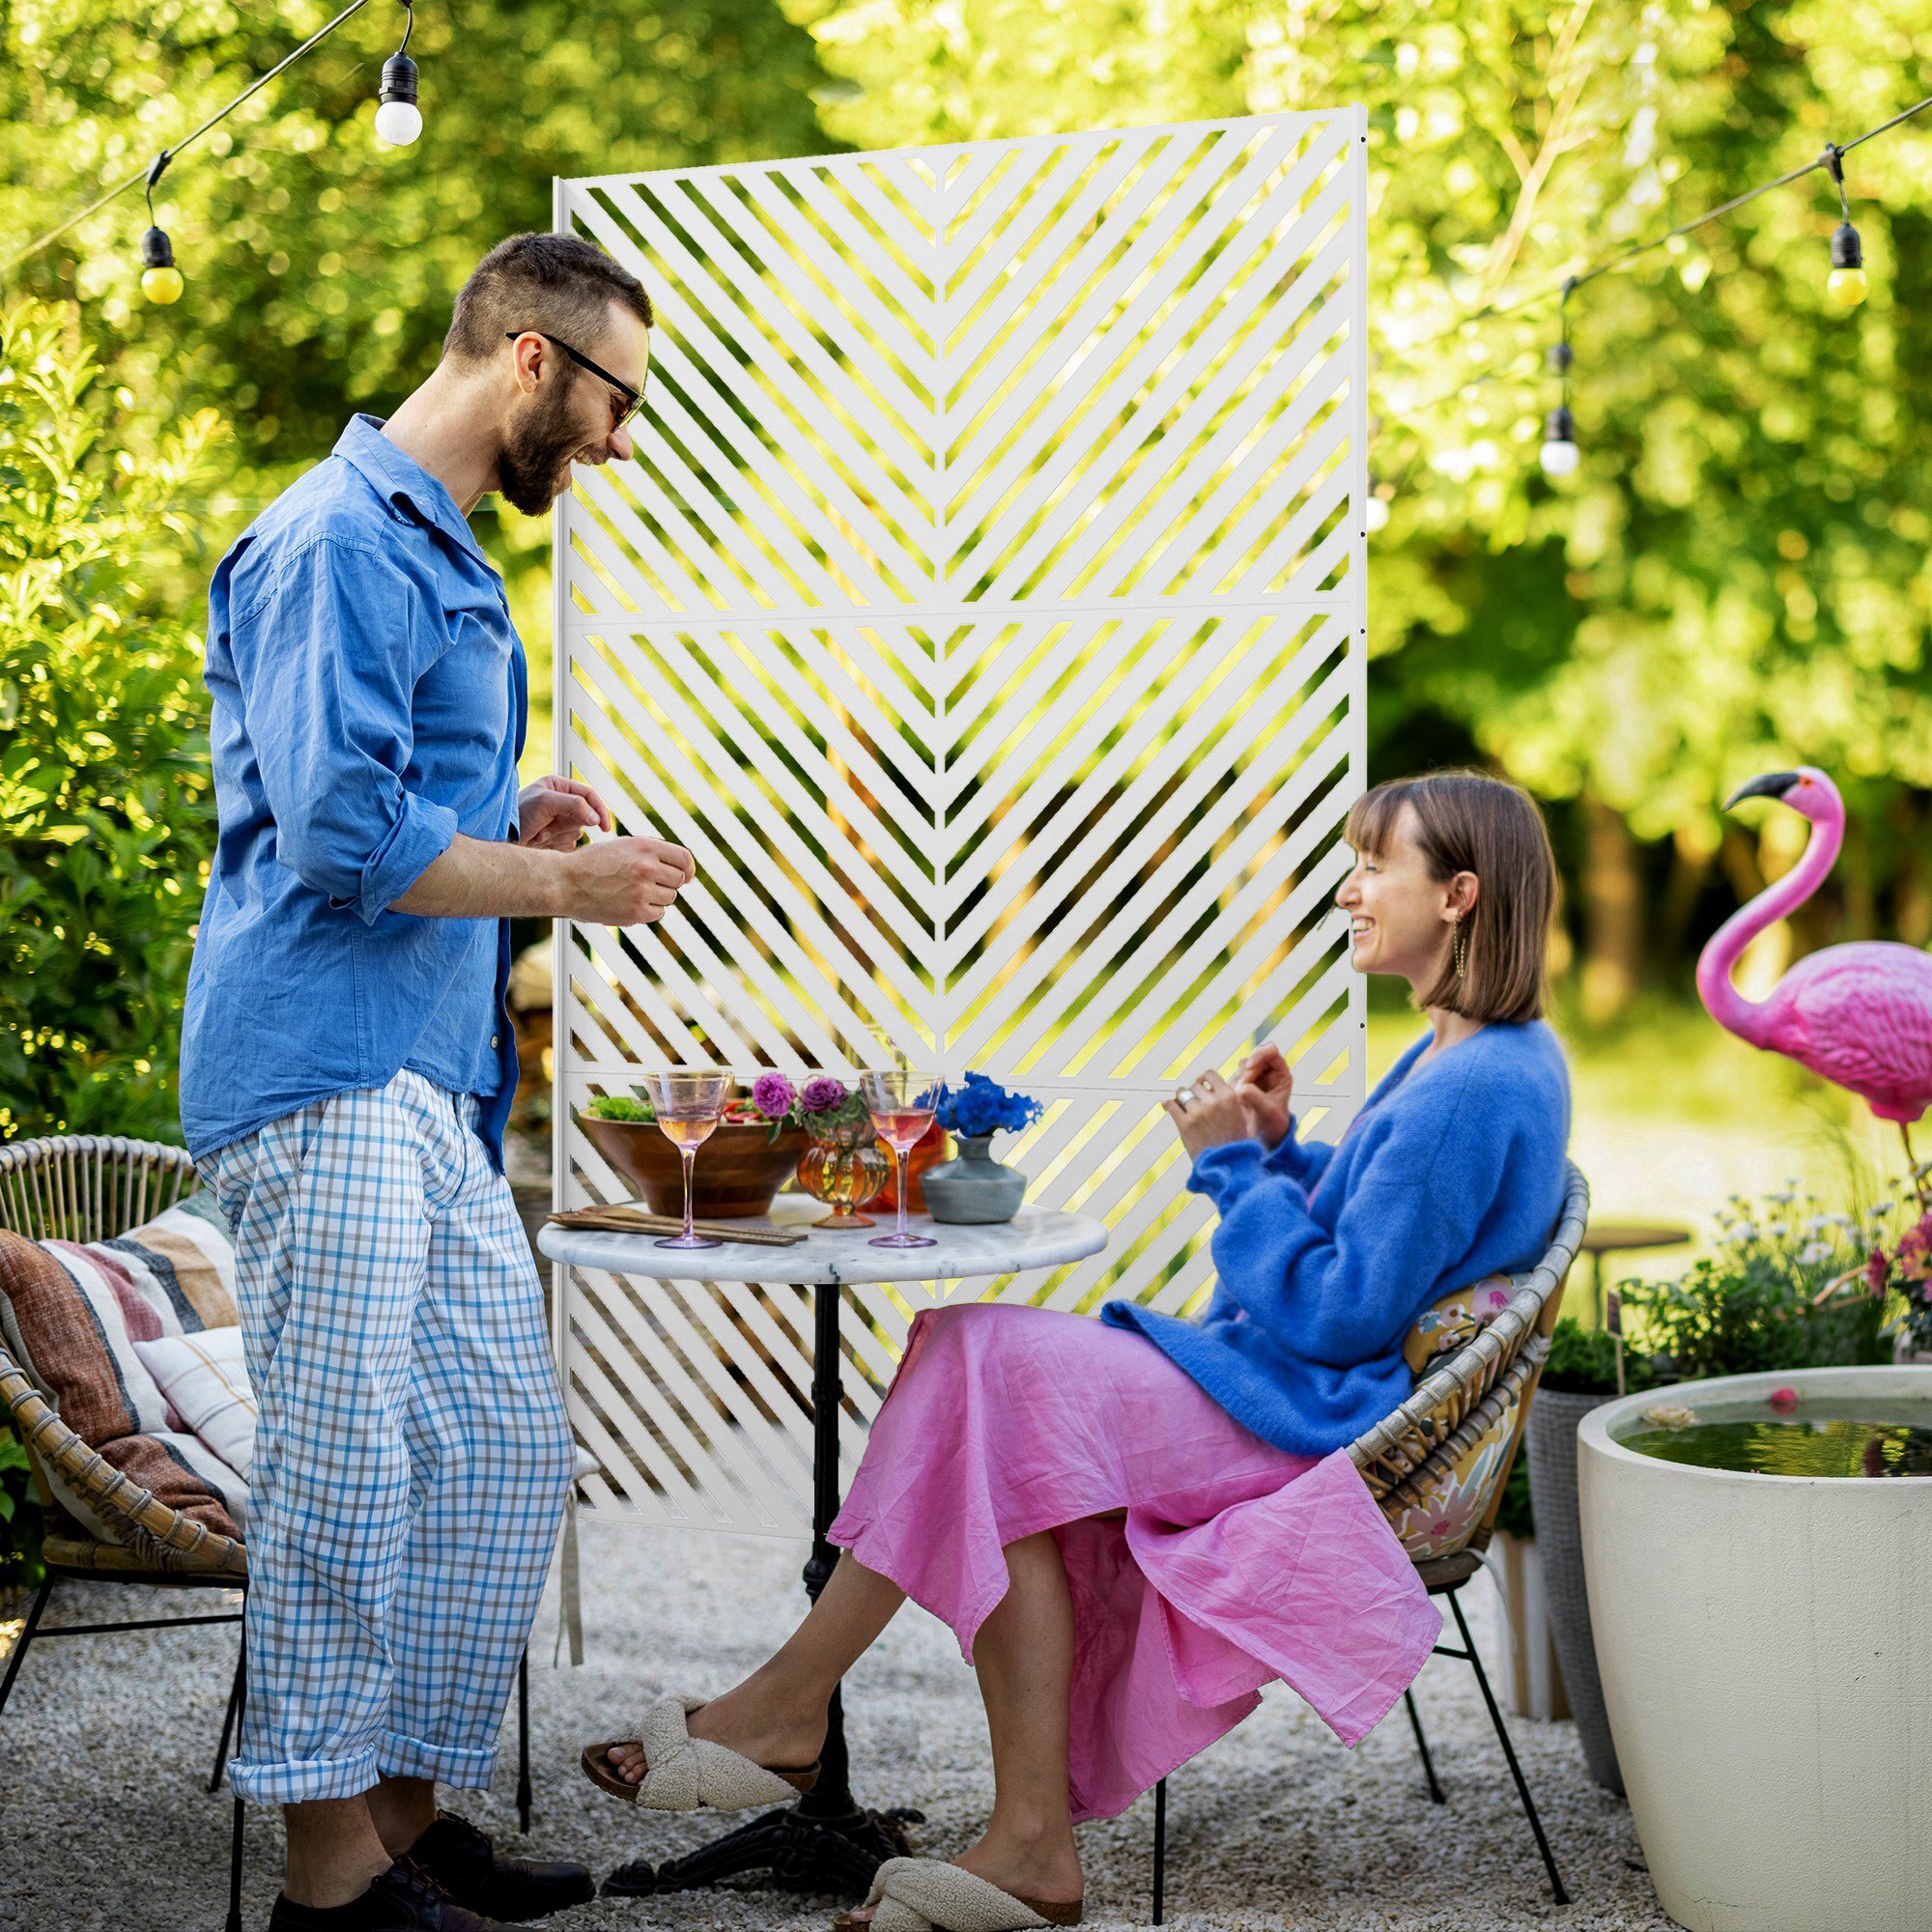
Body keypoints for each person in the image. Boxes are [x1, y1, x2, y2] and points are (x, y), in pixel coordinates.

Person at [580, 769, 1572, 1932]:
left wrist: (1229, 1166)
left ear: (1457, 895)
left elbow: (1340, 1310)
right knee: (989, 1409)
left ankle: (791, 1715)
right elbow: (1387, 1251)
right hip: (1294, 1390)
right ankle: (1015, 1840)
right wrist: (1282, 1145)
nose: (1347, 886)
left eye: (1373, 863)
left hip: (1305, 1420)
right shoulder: (1480, 1058)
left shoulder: (1471, 1082)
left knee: (977, 1364)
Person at [183, 233, 696, 1932]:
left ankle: (397, 1826)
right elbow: (337, 837)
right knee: (345, 1467)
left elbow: (388, 805)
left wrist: (511, 829)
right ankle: (331, 1888)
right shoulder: (337, 538)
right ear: (536, 361)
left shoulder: (436, 549)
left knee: (494, 1450)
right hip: (321, 1064)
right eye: (621, 397)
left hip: (416, 1077)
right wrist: (564, 885)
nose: (622, 441)